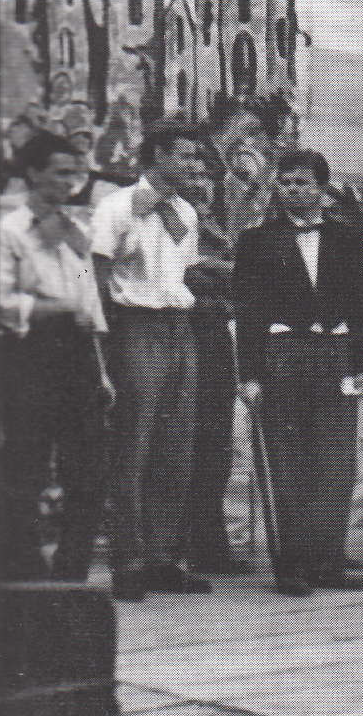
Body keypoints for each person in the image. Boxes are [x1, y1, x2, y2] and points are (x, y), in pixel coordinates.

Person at [234, 149, 363, 597]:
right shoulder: (257, 241)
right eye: (286, 182)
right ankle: (291, 564)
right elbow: (248, 312)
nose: (293, 190)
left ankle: (327, 560)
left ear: (322, 188)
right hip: (283, 354)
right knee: (288, 458)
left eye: (302, 182)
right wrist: (249, 375)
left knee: (335, 461)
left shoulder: (347, 238)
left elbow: (361, 305)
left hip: (336, 353)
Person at [92, 120, 213, 600]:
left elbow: (182, 276)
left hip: (180, 329)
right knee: (134, 446)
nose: (195, 165)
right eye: (186, 156)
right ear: (158, 155)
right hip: (135, 328)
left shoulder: (185, 210)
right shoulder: (117, 207)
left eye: (197, 157)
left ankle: (164, 559)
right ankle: (129, 562)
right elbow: (96, 279)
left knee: (175, 447)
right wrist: (103, 349)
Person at [1, 133, 113, 582]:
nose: (70, 182)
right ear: (33, 173)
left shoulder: (74, 231)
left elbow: (89, 300)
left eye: (76, 174)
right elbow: (3, 302)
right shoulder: (10, 231)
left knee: (87, 469)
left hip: (79, 355)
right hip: (29, 353)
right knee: (26, 464)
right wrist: (55, 309)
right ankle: (24, 569)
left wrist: (101, 371)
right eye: (60, 172)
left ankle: (72, 572)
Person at [180, 175, 250, 575]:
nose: (201, 191)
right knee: (183, 446)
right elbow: (186, 277)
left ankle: (209, 544)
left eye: (205, 182)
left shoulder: (219, 235)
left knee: (215, 447)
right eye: (192, 182)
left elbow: (245, 285)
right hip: (183, 340)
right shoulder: (173, 230)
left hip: (216, 344)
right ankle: (176, 543)